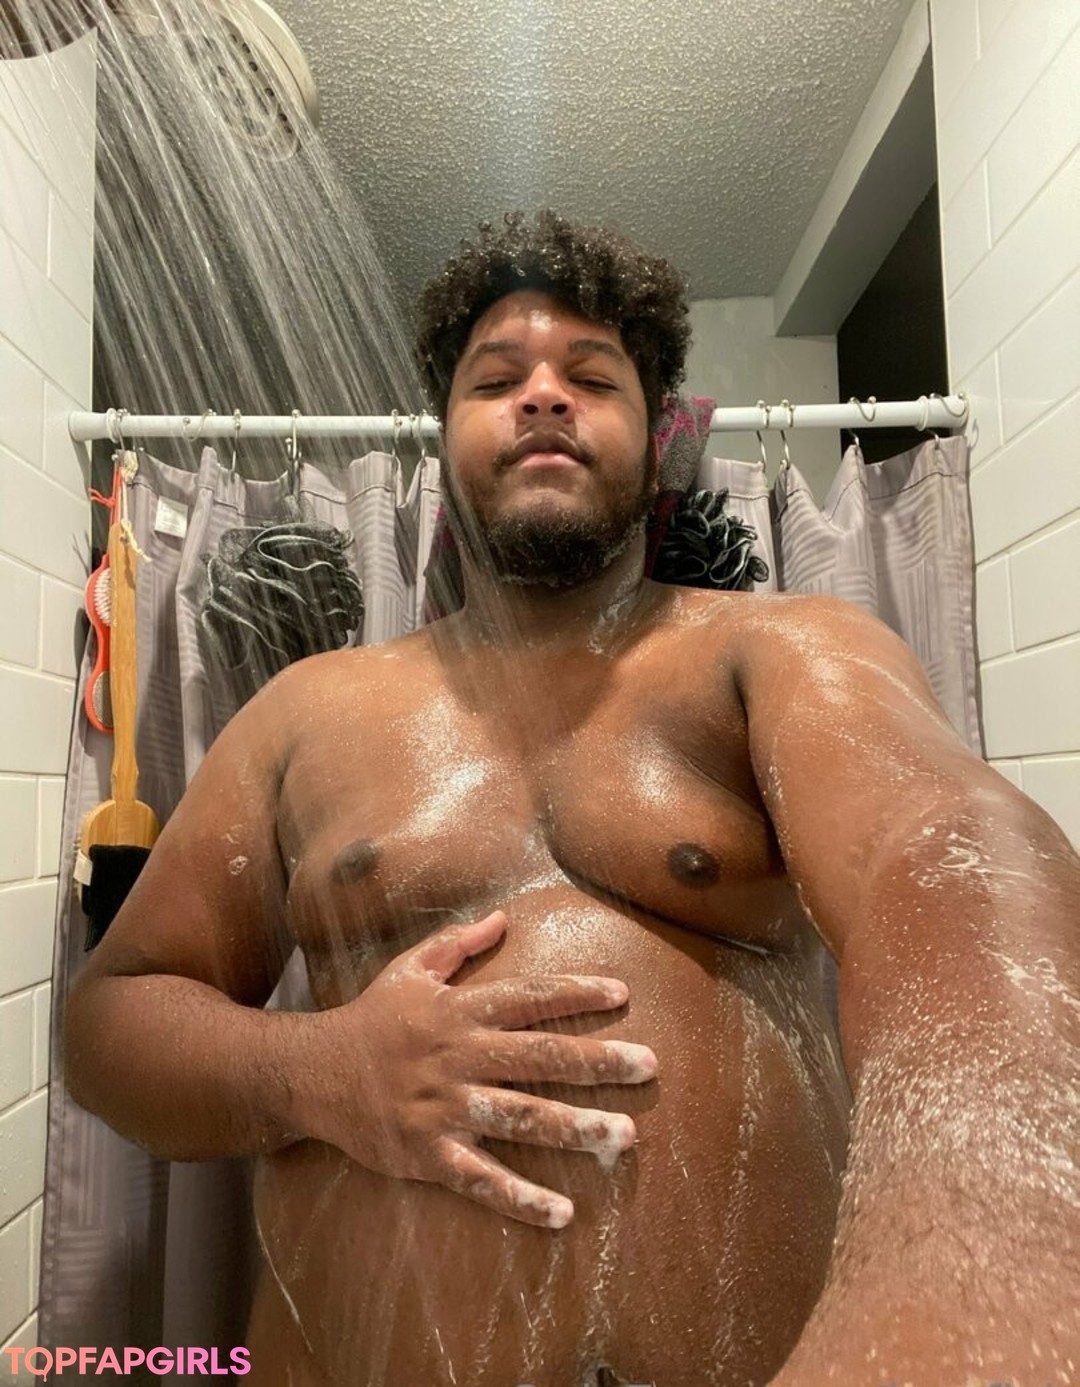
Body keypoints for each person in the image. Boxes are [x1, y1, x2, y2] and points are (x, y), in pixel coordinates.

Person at [65, 211, 1078, 1387]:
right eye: (498, 379)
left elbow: (948, 854)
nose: (544, 395)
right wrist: (321, 1070)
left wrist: (974, 1252)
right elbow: (111, 1024)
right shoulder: (306, 711)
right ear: (442, 438)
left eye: (592, 378)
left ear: (658, 442)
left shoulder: (777, 651)